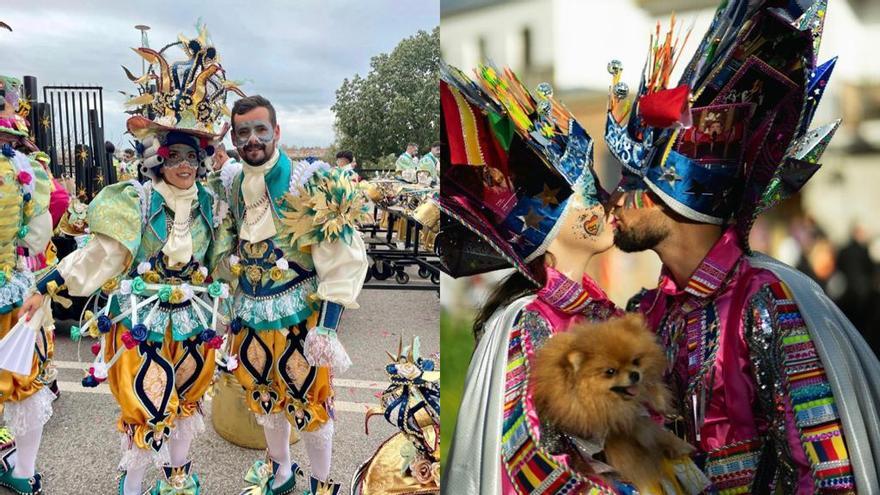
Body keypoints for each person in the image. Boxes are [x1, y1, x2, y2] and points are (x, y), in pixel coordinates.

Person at [605, 2, 879, 491]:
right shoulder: (647, 313)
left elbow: (825, 465)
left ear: (672, 196)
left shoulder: (763, 299)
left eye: (630, 189)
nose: (612, 205)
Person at [439, 63, 707, 494]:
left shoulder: (601, 312)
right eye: (590, 198)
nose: (606, 205)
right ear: (551, 229)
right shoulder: (529, 320)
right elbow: (522, 450)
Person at [22, 25, 240, 495]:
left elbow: (226, 261)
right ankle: (135, 484)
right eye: (175, 154)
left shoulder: (212, 204)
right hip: (144, 319)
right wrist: (46, 285)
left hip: (196, 319)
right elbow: (99, 255)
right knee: (146, 403)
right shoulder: (135, 201)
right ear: (159, 158)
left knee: (187, 400)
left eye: (194, 155)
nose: (186, 164)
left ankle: (178, 478)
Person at [210, 94, 369, 495]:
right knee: (265, 399)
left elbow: (342, 258)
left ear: (277, 132)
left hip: (299, 317)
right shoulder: (231, 182)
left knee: (310, 404)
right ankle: (281, 471)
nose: (252, 139)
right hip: (249, 317)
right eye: (243, 132)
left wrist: (328, 328)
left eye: (261, 130)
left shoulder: (308, 181)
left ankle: (319, 481)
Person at [0, 74, 55, 495]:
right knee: (25, 386)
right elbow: (38, 232)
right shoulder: (24, 170)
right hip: (14, 291)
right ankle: (23, 472)